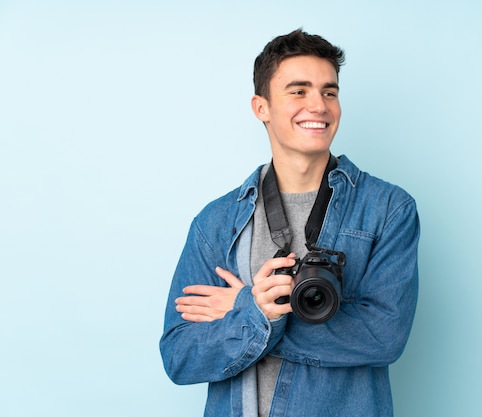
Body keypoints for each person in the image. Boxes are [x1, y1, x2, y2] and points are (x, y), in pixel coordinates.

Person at [159, 29, 420, 417]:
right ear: (261, 107)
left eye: (329, 92)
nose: (319, 105)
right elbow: (180, 357)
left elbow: (384, 337)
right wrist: (255, 312)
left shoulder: (388, 209)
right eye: (298, 91)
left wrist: (246, 312)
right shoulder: (215, 222)